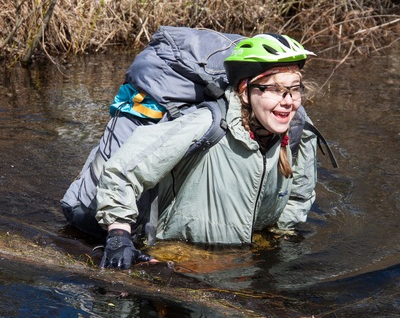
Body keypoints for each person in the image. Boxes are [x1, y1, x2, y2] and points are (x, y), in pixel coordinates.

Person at [92, 33, 318, 270]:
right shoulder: (206, 124)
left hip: (239, 264)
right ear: (245, 89)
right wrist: (119, 237)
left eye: (294, 89)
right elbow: (122, 171)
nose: (288, 101)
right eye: (274, 89)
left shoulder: (297, 131)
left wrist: (272, 240)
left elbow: (299, 197)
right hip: (177, 257)